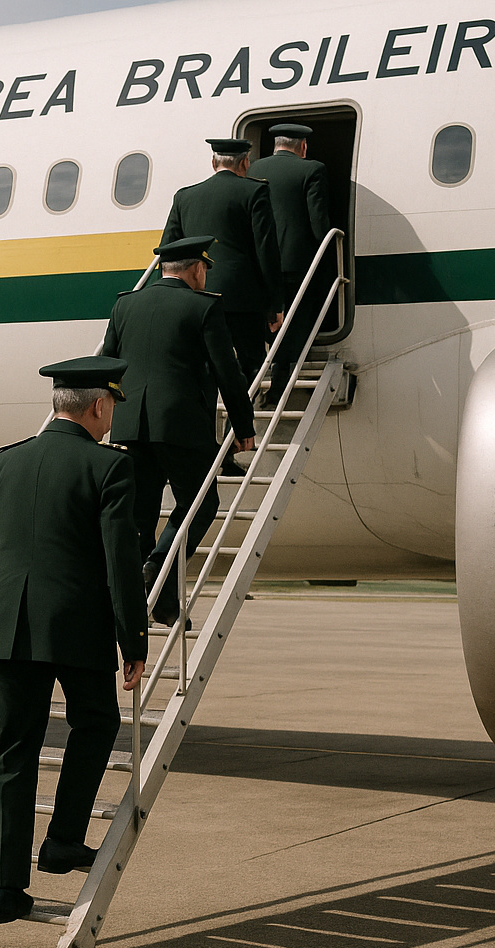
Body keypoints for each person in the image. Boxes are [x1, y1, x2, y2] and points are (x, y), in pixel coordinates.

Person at [0, 356, 149, 925]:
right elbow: (120, 560)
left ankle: (5, 890)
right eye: (111, 403)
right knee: (95, 723)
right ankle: (63, 839)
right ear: (97, 405)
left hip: (9, 627)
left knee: (16, 751)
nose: (112, 414)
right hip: (76, 626)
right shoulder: (110, 467)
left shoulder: (5, 463)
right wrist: (132, 639)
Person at [102, 237, 257, 628]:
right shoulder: (203, 306)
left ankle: (161, 603)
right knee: (201, 505)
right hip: (181, 427)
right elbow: (228, 373)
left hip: (129, 426)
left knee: (140, 516)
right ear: (197, 269)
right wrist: (243, 428)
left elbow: (105, 365)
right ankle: (158, 568)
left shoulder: (125, 304)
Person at [162, 137, 282, 472]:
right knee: (247, 367)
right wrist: (274, 303)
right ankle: (231, 440)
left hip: (195, 297)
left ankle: (204, 445)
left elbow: (167, 247)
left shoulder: (184, 197)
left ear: (213, 162)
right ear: (245, 163)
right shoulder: (255, 192)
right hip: (241, 298)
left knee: (202, 372)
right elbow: (266, 252)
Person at [248, 123, 333, 406]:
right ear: (303, 147)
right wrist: (327, 255)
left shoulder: (252, 170)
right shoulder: (312, 170)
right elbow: (317, 219)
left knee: (266, 322)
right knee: (294, 324)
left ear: (275, 145)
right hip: (296, 263)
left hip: (258, 264)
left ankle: (253, 384)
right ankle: (279, 387)